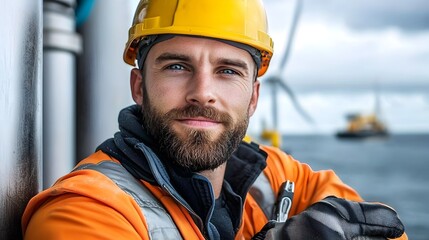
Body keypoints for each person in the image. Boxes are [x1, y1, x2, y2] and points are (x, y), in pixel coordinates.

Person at [22, 0, 406, 239]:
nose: (202, 92)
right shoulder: (83, 209)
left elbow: (380, 231)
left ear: (253, 97)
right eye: (176, 66)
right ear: (139, 86)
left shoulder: (274, 175)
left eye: (228, 71)